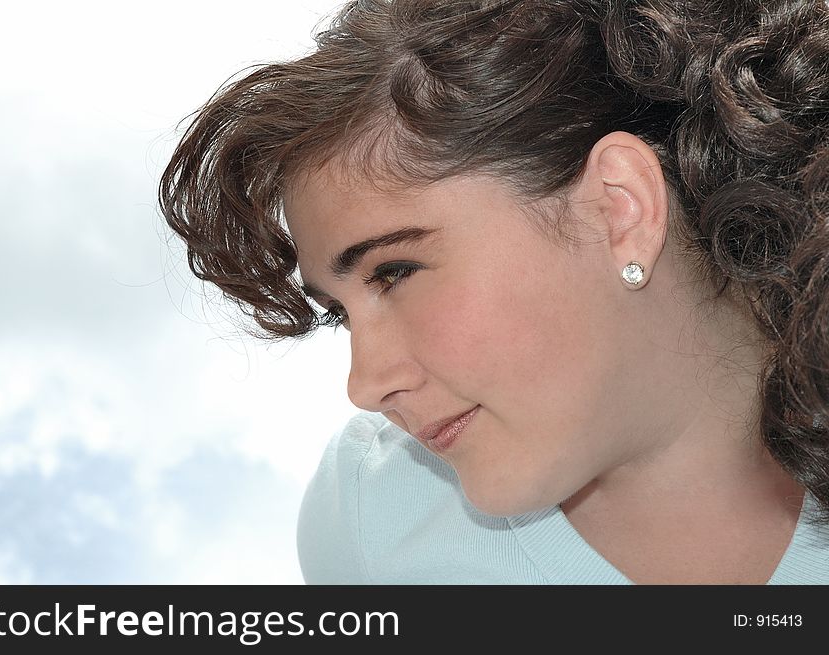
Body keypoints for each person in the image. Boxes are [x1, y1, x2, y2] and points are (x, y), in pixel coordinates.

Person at [158, 0, 829, 584]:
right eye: (339, 314)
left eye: (394, 272)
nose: (365, 385)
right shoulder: (372, 525)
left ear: (619, 210)